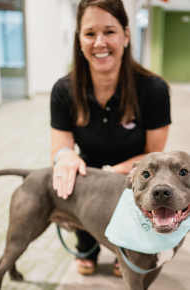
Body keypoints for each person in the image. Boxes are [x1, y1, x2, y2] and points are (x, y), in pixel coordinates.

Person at [50, 0, 171, 276]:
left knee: (130, 256)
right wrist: (65, 157)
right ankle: (87, 241)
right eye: (90, 33)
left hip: (135, 174)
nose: (99, 42)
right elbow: (59, 148)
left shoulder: (153, 89)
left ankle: (129, 245)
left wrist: (110, 174)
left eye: (110, 32)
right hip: (88, 174)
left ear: (126, 35)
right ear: (79, 39)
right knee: (68, 175)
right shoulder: (63, 90)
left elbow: (155, 157)